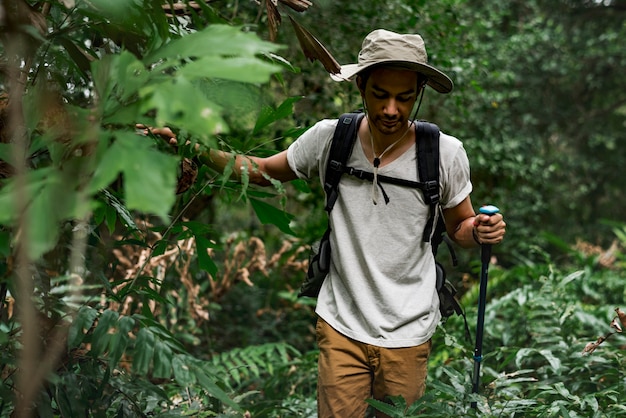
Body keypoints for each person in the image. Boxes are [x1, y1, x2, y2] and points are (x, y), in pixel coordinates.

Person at [149, 29, 506, 417]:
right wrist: (192, 147)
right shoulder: (330, 139)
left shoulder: (443, 153)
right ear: (360, 86)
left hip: (409, 330)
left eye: (404, 98)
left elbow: (461, 227)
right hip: (341, 324)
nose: (391, 110)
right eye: (379, 95)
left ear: (419, 92)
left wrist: (481, 231)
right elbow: (261, 170)